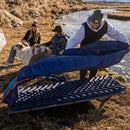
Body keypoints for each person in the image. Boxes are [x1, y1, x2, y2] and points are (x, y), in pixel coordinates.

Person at [62, 9, 129, 79]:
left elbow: (116, 34)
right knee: (83, 68)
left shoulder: (106, 25)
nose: (93, 25)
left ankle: (91, 80)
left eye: (96, 23)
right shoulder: (84, 27)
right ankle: (82, 79)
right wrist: (67, 51)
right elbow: (75, 40)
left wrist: (126, 43)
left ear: (100, 22)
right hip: (85, 49)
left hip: (97, 50)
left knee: (95, 67)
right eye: (92, 22)